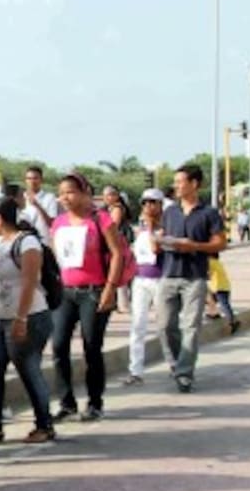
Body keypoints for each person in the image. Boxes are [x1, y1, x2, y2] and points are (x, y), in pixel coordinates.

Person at [0, 196, 55, 444]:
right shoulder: (1, 243)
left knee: (28, 369)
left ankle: (44, 424)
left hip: (27, 316)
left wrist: (21, 318)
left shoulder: (27, 242)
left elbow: (30, 281)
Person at [49, 172, 124, 421]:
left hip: (94, 292)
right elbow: (54, 257)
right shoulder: (58, 223)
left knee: (91, 346)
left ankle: (94, 402)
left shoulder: (100, 219)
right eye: (61, 193)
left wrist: (110, 288)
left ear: (84, 193)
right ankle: (66, 402)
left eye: (70, 192)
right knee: (59, 345)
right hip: (65, 292)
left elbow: (117, 253)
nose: (65, 198)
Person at [156, 163, 227, 392]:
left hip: (195, 277)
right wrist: (159, 241)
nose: (176, 186)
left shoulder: (209, 213)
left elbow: (220, 243)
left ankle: (184, 373)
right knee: (165, 326)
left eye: (180, 182)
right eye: (175, 182)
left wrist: (194, 246)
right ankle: (177, 364)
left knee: (191, 326)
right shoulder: (170, 212)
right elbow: (162, 237)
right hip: (168, 274)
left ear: (194, 184)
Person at [123, 189, 167, 386]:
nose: (148, 206)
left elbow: (156, 248)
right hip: (141, 280)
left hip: (160, 280)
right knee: (138, 325)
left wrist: (150, 228)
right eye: (145, 203)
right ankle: (136, 370)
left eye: (153, 202)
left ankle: (176, 365)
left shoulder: (166, 226)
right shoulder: (139, 228)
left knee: (165, 325)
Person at [103, 185, 134, 313]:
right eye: (106, 195)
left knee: (119, 273)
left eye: (110, 194)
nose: (107, 197)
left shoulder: (117, 208)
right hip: (115, 242)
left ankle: (123, 304)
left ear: (116, 196)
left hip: (118, 243)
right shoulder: (109, 208)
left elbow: (113, 226)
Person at [23, 165, 61, 232]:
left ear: (41, 180)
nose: (32, 181)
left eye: (35, 178)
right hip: (25, 237)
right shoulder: (21, 197)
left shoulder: (50, 198)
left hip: (43, 237)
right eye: (29, 178)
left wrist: (37, 205)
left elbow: (52, 223)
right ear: (25, 180)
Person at [207, 254, 238, 334]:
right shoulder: (218, 263)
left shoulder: (211, 262)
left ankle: (232, 322)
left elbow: (208, 275)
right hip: (224, 287)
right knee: (211, 300)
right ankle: (214, 314)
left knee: (224, 305)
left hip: (219, 288)